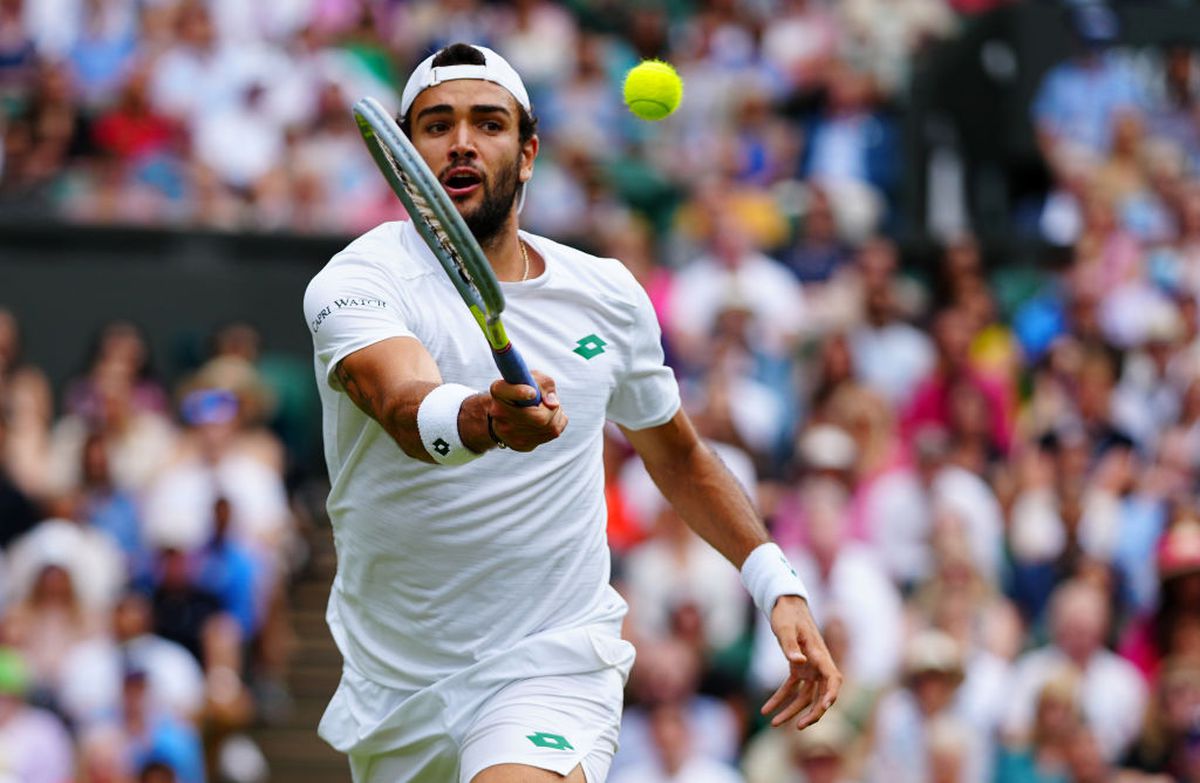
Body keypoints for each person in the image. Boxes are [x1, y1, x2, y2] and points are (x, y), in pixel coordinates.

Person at [302, 42, 840, 783]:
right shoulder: (357, 281)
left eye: (488, 124)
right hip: (399, 686)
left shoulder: (608, 294)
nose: (461, 141)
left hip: (549, 661)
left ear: (527, 155)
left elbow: (677, 454)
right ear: (403, 153)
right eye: (436, 125)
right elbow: (402, 403)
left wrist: (775, 582)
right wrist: (488, 420)